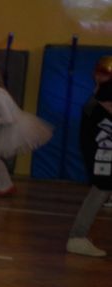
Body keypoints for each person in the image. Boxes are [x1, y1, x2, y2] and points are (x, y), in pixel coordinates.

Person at [0, 62, 53, 197]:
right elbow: (0, 114)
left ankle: (5, 186)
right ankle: (3, 186)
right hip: (10, 126)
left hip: (15, 127)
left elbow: (9, 118)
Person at [67, 56, 112, 257]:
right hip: (102, 149)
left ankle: (77, 237)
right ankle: (77, 237)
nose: (98, 77)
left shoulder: (99, 92)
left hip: (99, 146)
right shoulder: (104, 92)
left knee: (103, 188)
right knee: (101, 188)